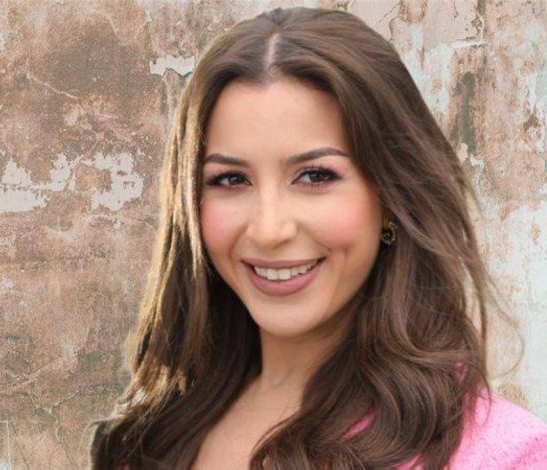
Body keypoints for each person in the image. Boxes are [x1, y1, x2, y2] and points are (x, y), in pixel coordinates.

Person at [89, 6, 547, 469]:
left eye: (315, 176)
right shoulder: (149, 439)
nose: (269, 230)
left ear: (392, 195)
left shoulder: (503, 455)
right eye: (230, 179)